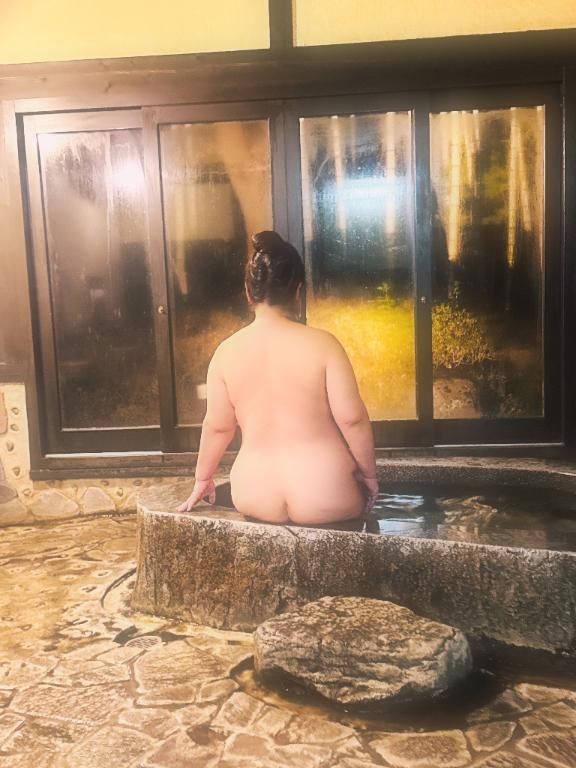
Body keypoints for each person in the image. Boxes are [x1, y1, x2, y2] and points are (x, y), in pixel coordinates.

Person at [177, 230, 378, 525]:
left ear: (249, 293)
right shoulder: (324, 345)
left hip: (254, 492)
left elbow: (218, 427)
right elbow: (352, 420)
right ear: (299, 291)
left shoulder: (226, 352)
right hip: (324, 491)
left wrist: (202, 479)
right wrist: (370, 475)